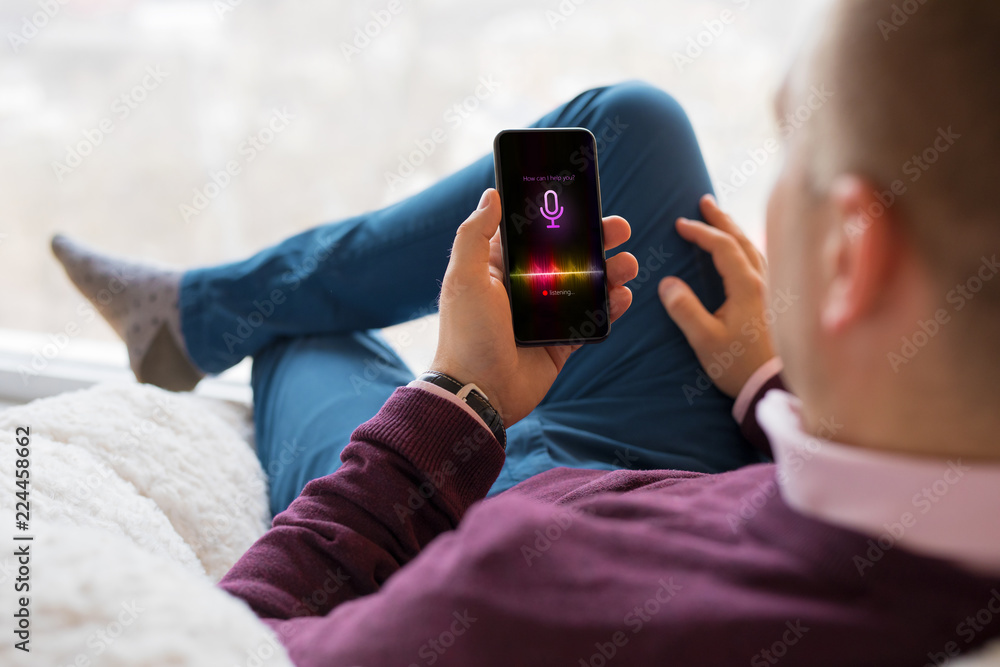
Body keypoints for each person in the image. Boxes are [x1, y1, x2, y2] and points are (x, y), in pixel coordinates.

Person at [52, 0, 1000, 664]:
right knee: (625, 126)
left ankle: (209, 318)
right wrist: (771, 383)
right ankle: (199, 313)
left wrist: (456, 401)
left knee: (305, 340)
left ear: (849, 258)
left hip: (490, 514)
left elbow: (232, 644)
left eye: (796, 151)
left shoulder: (515, 596)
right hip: (718, 466)